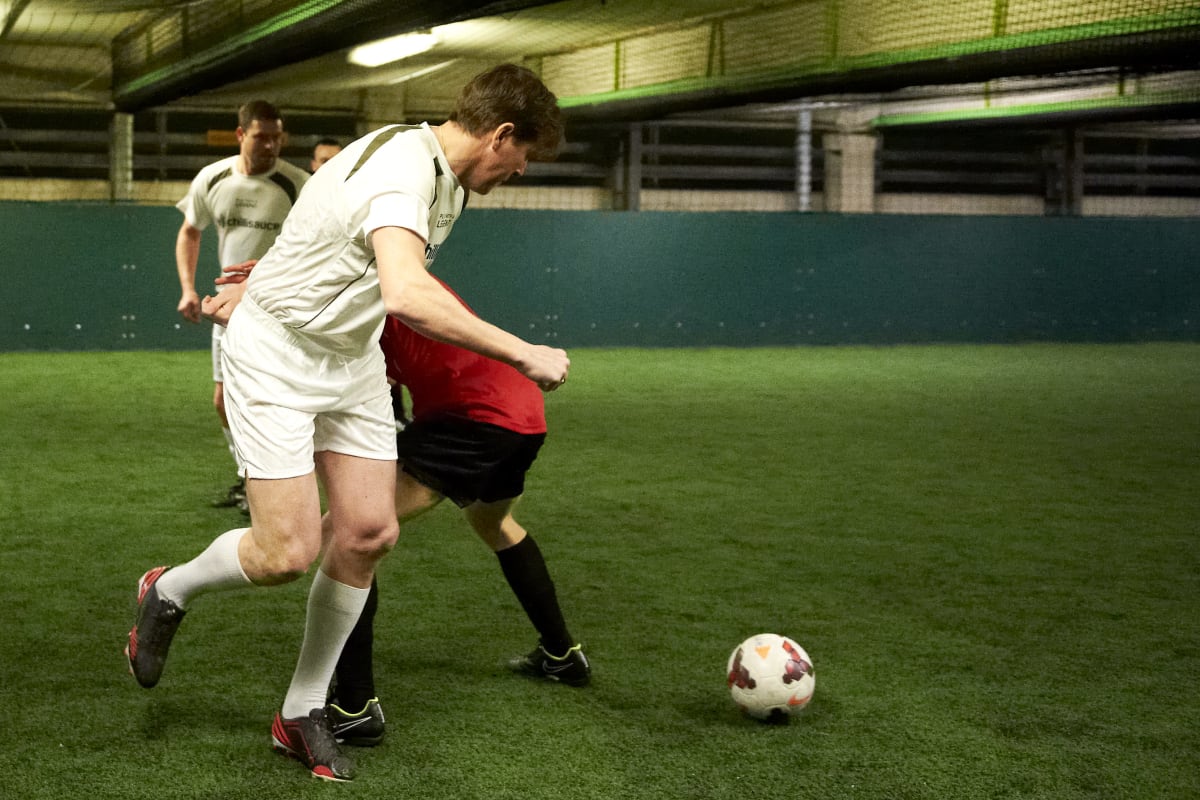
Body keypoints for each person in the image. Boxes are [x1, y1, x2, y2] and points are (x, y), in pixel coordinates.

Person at [126, 64, 569, 784]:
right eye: (525, 158)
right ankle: (168, 588)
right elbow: (404, 291)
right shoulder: (405, 172)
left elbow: (332, 239)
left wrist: (266, 274)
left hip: (351, 359)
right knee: (285, 554)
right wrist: (523, 353)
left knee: (368, 533)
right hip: (276, 357)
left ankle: (301, 712)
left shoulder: (439, 168)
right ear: (502, 134)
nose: (520, 171)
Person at [325, 277, 590, 747]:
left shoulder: (368, 286)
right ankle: (562, 655)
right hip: (523, 415)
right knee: (494, 522)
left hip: (472, 417)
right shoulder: (389, 278)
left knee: (350, 533)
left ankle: (354, 706)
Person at [174, 100, 310, 512]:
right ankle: (247, 478)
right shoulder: (213, 178)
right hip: (229, 311)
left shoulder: (298, 185)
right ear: (240, 135)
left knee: (279, 400)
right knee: (223, 400)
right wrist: (188, 288)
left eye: (277, 137)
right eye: (261, 136)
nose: (270, 145)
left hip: (282, 312)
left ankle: (283, 485)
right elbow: (190, 231)